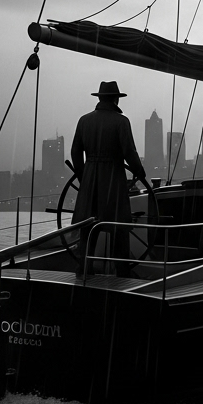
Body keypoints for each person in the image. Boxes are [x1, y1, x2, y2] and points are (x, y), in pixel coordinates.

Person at [71, 81, 150, 275]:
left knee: (89, 225)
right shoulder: (121, 122)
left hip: (90, 177)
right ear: (115, 99)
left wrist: (84, 176)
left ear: (99, 98)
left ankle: (85, 266)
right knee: (118, 225)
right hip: (113, 178)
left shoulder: (84, 120)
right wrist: (140, 172)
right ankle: (121, 269)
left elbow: (75, 152)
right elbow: (129, 152)